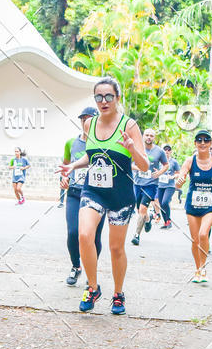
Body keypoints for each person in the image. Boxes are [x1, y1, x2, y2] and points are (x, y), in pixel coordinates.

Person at [58, 76, 148, 315]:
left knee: (116, 248)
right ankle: (93, 287)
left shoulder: (129, 125)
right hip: (93, 190)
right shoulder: (90, 124)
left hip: (120, 194)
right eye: (99, 97)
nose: (104, 101)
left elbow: (145, 165)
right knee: (84, 235)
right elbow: (91, 155)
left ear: (117, 98)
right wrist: (73, 165)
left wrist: (131, 148)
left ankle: (118, 294)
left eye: (109, 96)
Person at [175, 130, 212, 283]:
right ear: (195, 143)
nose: (202, 143)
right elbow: (180, 179)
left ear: (210, 143)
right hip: (193, 205)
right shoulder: (190, 160)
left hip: (211, 205)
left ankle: (203, 267)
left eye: (206, 140)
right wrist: (179, 181)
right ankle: (197, 269)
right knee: (195, 240)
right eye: (199, 140)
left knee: (203, 234)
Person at [60, 108, 105, 286]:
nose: (86, 122)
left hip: (97, 195)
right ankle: (76, 266)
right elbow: (66, 165)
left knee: (94, 236)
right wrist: (64, 178)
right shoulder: (71, 143)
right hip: (75, 193)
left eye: (90, 119)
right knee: (73, 232)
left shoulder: (103, 143)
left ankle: (91, 270)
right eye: (83, 119)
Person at [131, 129, 168, 246]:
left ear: (154, 138)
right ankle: (148, 219)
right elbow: (129, 164)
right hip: (138, 183)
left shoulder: (159, 151)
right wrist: (138, 168)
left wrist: (159, 173)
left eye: (151, 136)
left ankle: (136, 235)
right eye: (147, 135)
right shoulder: (136, 149)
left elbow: (166, 165)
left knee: (142, 209)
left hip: (151, 184)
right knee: (139, 210)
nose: (149, 137)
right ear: (143, 136)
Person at [156, 145, 179, 229]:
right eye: (165, 149)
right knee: (161, 205)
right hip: (160, 185)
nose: (167, 151)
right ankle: (166, 222)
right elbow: (155, 171)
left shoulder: (174, 162)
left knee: (165, 202)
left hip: (170, 186)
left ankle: (169, 220)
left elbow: (178, 173)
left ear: (171, 151)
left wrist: (173, 177)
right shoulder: (159, 162)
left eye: (169, 150)